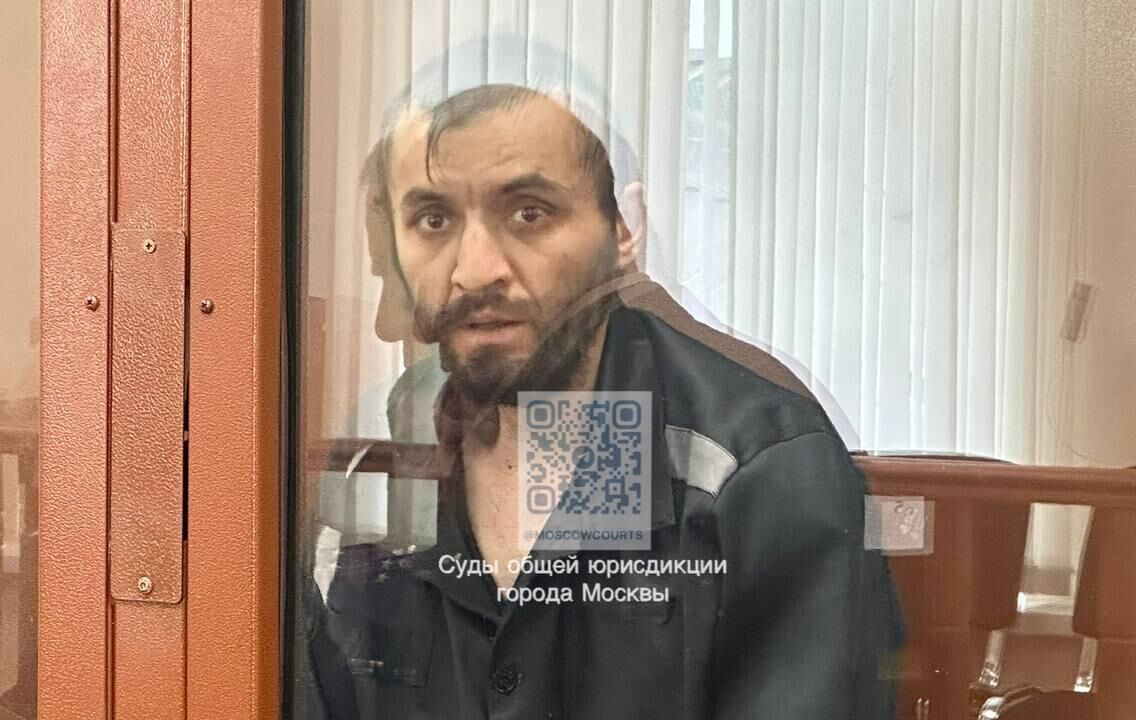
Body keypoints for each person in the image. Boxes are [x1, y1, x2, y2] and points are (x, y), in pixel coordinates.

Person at [302, 73, 903, 720]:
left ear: (624, 228)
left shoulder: (751, 465)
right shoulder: (400, 432)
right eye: (434, 219)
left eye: (529, 213)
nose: (475, 271)